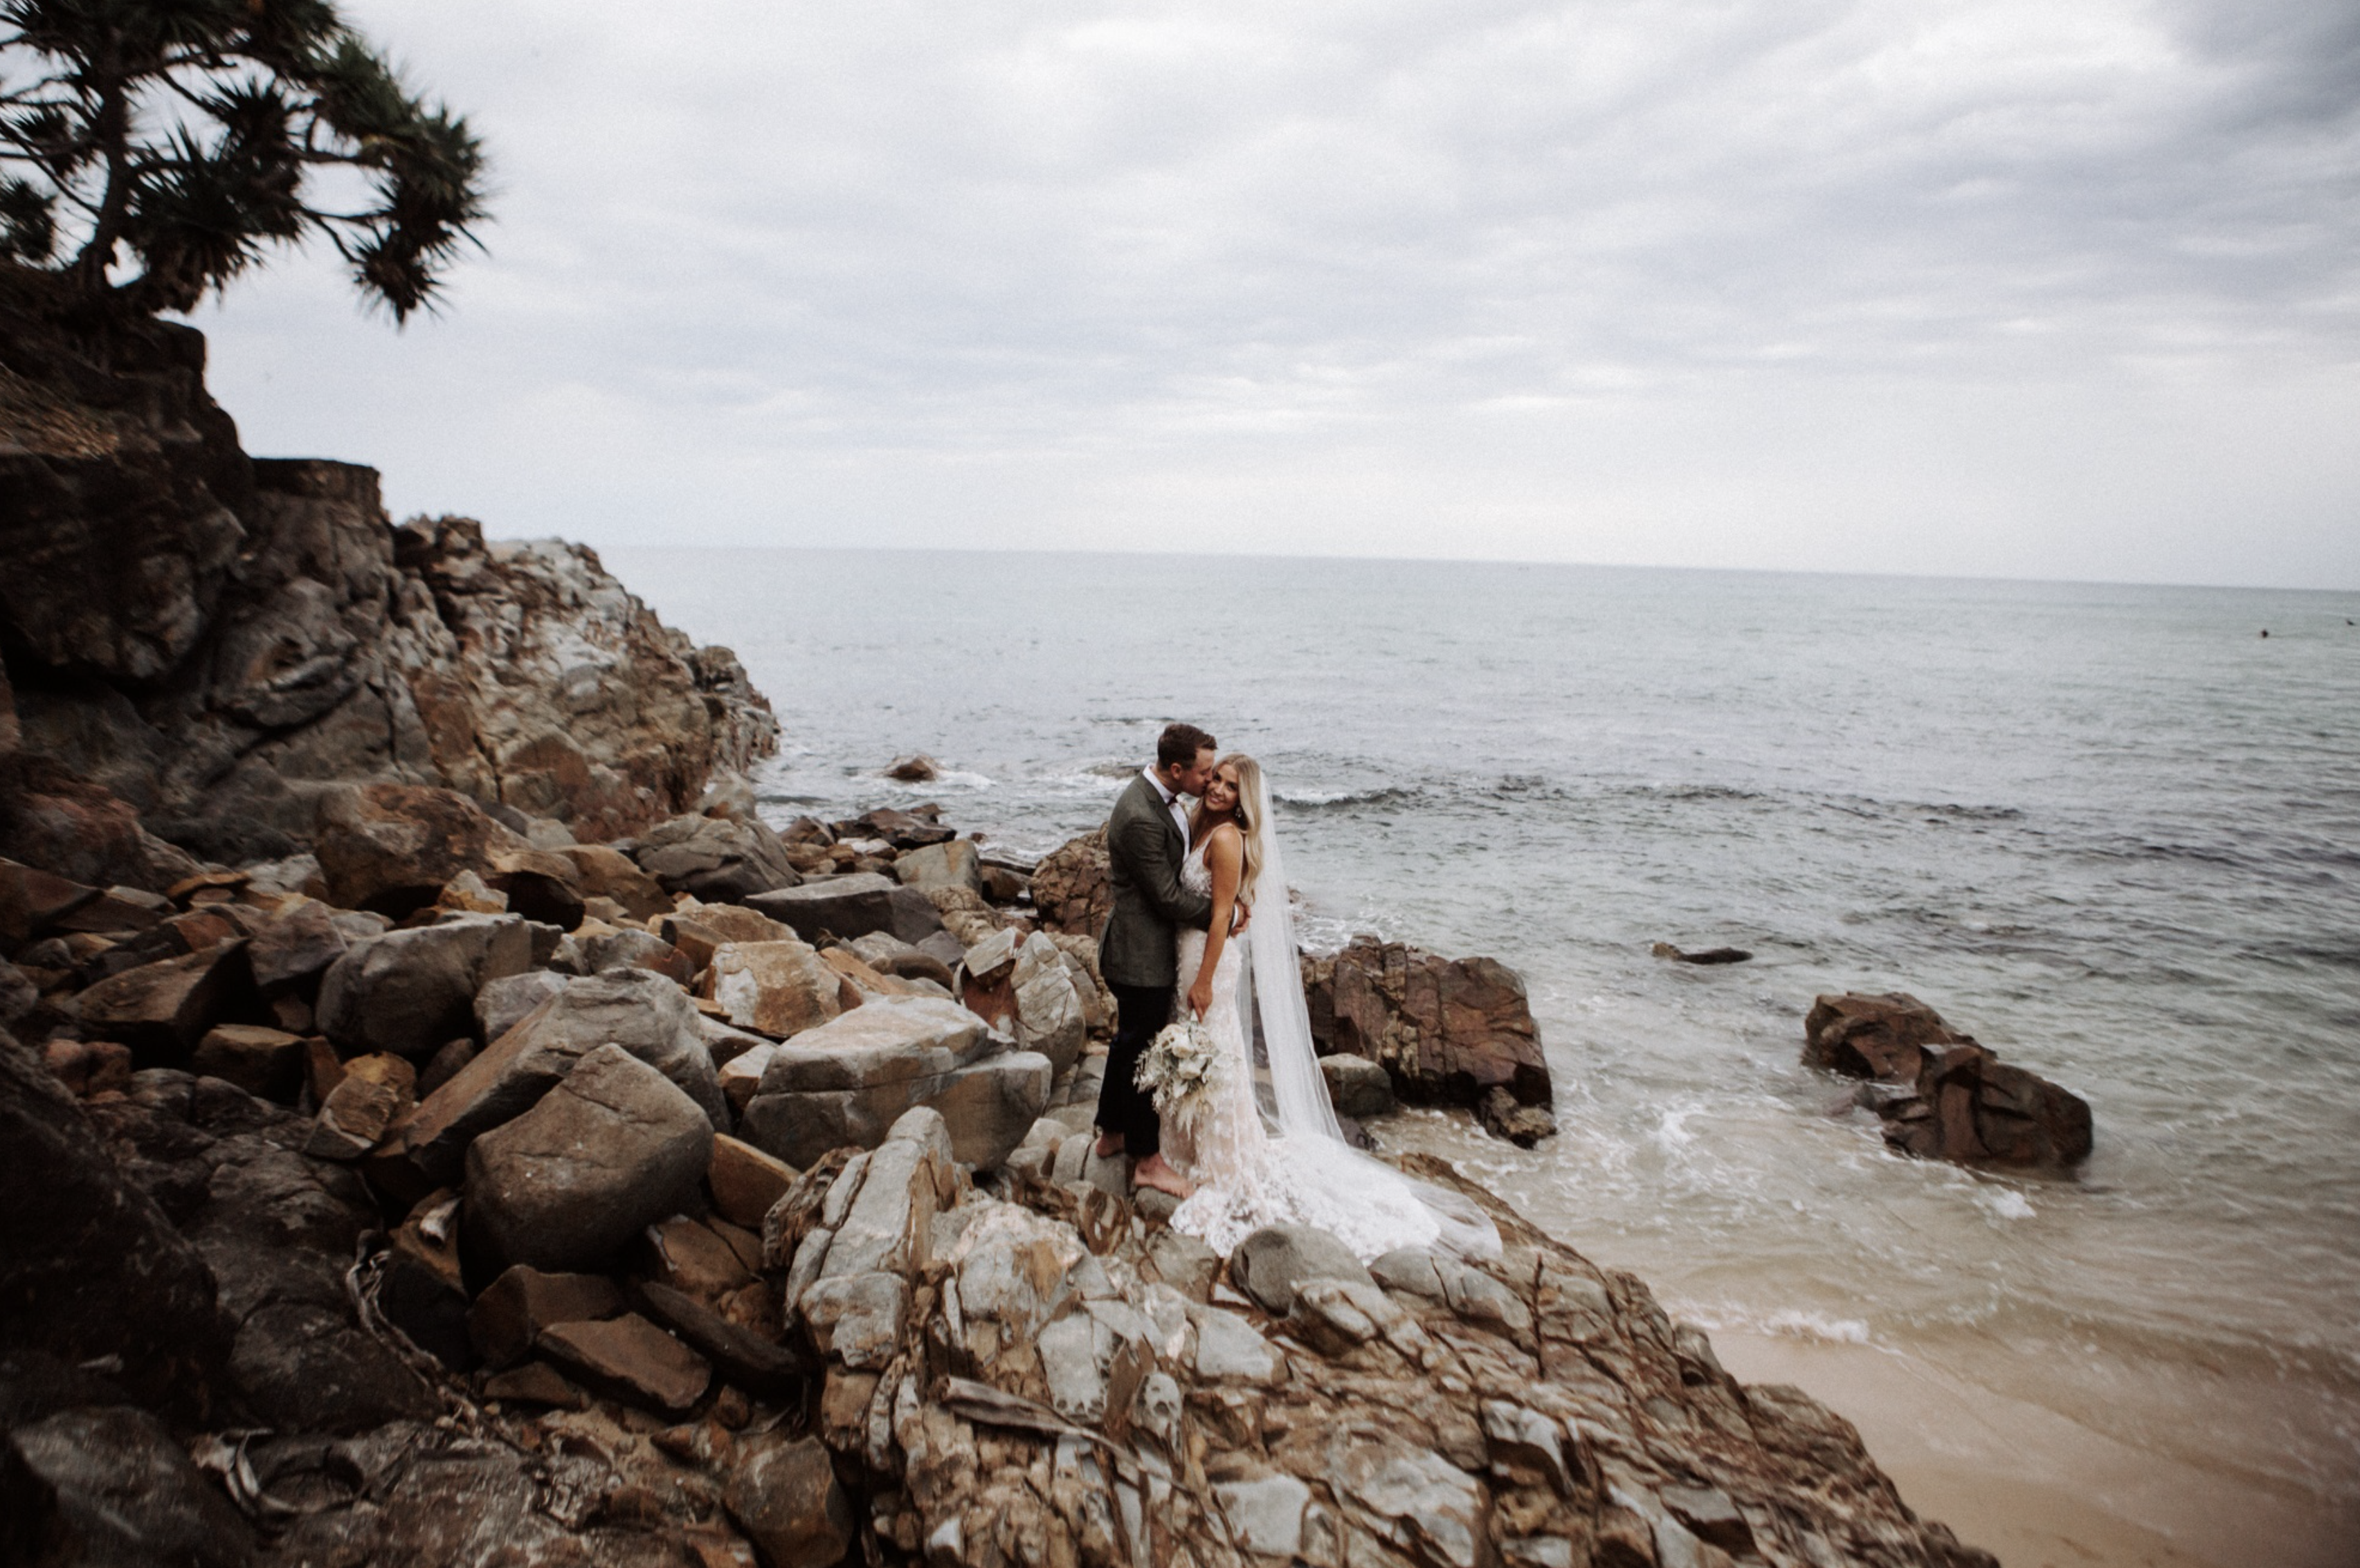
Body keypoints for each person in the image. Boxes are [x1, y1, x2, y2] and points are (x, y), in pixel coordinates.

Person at [1161, 753, 1500, 1261]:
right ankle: (1188, 1146)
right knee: (1204, 1050)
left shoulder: (1228, 837)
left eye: (1231, 787)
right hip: (1189, 957)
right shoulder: (1202, 827)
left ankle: (1222, 1163)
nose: (1218, 790)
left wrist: (1206, 979)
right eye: (1217, 780)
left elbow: (1221, 916)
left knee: (1214, 1052)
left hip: (1208, 964)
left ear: (1244, 799)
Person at [1093, 722, 1224, 1198]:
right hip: (1139, 954)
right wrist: (1222, 915)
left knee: (1128, 1044)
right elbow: (1169, 899)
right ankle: (1148, 1161)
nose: (1211, 780)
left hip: (1141, 947)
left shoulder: (1161, 800)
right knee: (1148, 1053)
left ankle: (1111, 1133)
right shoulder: (1141, 816)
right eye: (1206, 772)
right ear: (1176, 770)